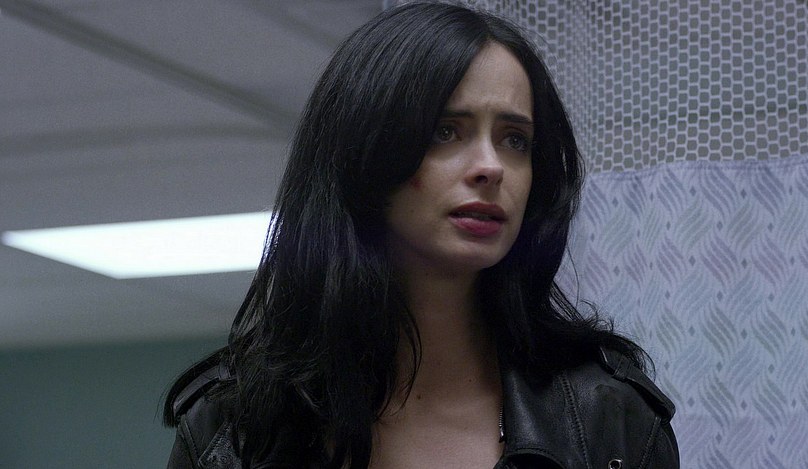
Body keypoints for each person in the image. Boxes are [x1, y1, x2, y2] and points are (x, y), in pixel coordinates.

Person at [164, 2, 679, 468]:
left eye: (515, 139)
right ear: (364, 154)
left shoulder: (609, 421)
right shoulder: (234, 429)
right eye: (445, 131)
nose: (491, 167)